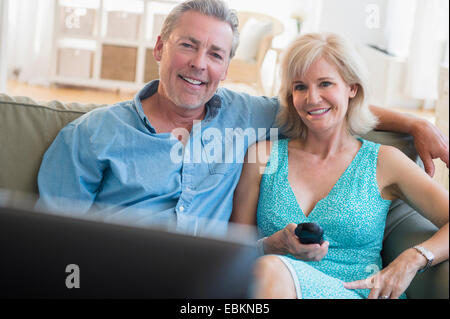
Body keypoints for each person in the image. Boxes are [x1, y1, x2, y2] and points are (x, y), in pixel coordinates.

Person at [37, 0, 448, 235]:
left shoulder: (250, 116)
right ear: (161, 48)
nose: (199, 64)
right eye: (188, 46)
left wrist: (415, 125)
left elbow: (326, 106)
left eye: (215, 54)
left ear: (227, 68)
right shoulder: (90, 135)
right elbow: (49, 239)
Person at [230, 32, 449, 299]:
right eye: (300, 86)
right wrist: (271, 245)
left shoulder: (384, 161)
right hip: (270, 286)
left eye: (325, 84)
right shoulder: (262, 157)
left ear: (352, 88)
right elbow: (233, 250)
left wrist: (414, 258)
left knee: (271, 270)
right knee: (270, 269)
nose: (312, 98)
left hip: (360, 294)